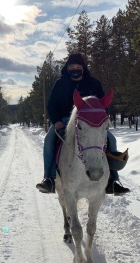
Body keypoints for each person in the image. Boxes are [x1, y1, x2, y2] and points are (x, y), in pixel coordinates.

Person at [36, 53, 130, 195]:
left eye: (78, 67)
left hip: (91, 123)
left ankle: (113, 180)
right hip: (64, 121)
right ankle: (49, 178)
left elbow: (102, 104)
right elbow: (51, 105)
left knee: (111, 139)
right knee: (49, 139)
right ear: (67, 68)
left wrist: (102, 119)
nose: (75, 69)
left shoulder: (93, 83)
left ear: (83, 68)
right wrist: (56, 121)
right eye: (71, 67)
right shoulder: (60, 84)